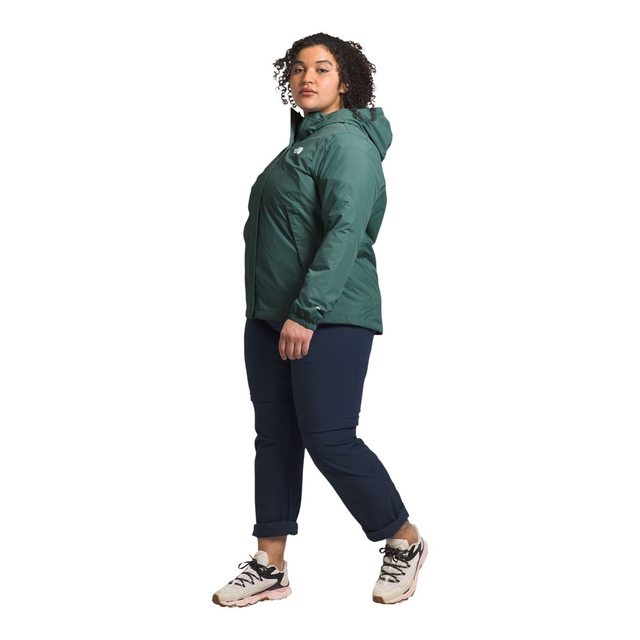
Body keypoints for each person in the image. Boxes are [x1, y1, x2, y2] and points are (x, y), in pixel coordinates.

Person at [212, 32, 426, 607]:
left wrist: (306, 314)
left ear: (346, 81)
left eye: (323, 68)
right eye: (299, 68)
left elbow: (344, 233)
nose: (308, 77)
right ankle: (270, 563)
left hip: (328, 317)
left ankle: (402, 538)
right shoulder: (302, 145)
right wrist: (272, 314)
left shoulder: (347, 144)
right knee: (275, 438)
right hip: (270, 318)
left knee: (329, 439)